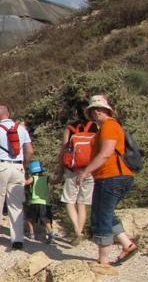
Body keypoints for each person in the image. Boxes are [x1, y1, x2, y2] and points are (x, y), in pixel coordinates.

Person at [74, 95, 139, 272]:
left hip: (112, 176)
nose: (96, 113)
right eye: (94, 110)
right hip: (115, 176)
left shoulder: (110, 126)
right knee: (106, 212)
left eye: (99, 109)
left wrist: (86, 171)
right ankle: (127, 245)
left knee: (100, 216)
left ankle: (103, 260)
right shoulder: (109, 126)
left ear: (105, 111)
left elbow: (106, 153)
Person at [0, 104, 34, 249]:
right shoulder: (21, 129)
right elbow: (30, 150)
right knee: (16, 204)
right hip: (17, 167)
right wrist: (23, 165)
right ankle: (17, 240)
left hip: (1, 166)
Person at [61, 104, 98, 245]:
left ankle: (77, 231)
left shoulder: (70, 128)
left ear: (75, 112)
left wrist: (60, 169)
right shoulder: (94, 127)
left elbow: (64, 150)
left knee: (70, 201)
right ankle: (80, 231)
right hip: (90, 170)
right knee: (82, 203)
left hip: (73, 170)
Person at [25, 159, 54, 244]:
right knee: (45, 219)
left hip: (34, 202)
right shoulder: (46, 178)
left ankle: (32, 233)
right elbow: (55, 181)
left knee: (30, 219)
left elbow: (26, 182)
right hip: (45, 203)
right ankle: (50, 232)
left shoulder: (33, 178)